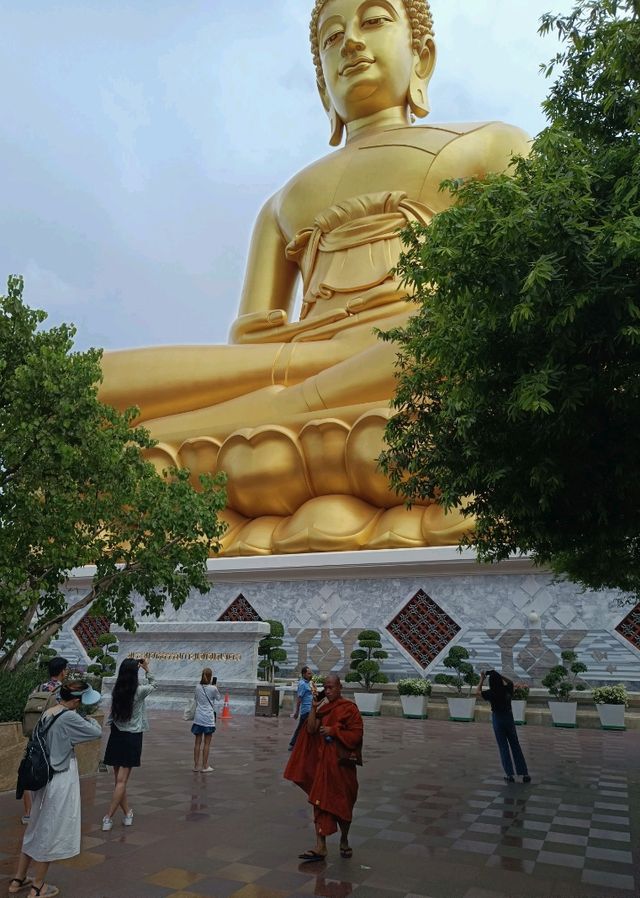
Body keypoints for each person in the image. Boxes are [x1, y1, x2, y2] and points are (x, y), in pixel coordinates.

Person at [99, 0, 530, 556]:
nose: (350, 42)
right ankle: (287, 406)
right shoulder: (282, 203)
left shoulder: (491, 146)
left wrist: (361, 355)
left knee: (463, 345)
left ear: (421, 57)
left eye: (373, 21)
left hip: (420, 346)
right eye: (331, 37)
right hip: (313, 364)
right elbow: (249, 337)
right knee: (88, 388)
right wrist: (299, 358)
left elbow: (526, 301)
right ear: (323, 89)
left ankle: (265, 425)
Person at [10, 680, 102, 898]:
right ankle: (38, 887)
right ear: (77, 700)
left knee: (35, 826)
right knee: (50, 830)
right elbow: (95, 732)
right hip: (60, 777)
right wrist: (88, 718)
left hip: (42, 777)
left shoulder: (49, 712)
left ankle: (18, 879)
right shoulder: (69, 717)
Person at [284, 674, 363, 862]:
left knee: (343, 805)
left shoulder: (349, 709)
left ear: (340, 687)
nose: (327, 691)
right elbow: (310, 729)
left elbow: (356, 735)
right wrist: (313, 707)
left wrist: (333, 731)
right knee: (319, 802)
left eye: (331, 688)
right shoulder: (324, 709)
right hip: (323, 766)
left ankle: (344, 839)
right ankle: (321, 846)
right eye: (325, 688)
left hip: (341, 767)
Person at [102, 657, 155, 831]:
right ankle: (108, 817)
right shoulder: (138, 691)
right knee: (121, 781)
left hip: (117, 735)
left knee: (118, 780)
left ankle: (128, 813)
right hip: (132, 736)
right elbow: (155, 684)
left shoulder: (117, 690)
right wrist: (147, 669)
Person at [21, 657, 69, 826]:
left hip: (33, 736)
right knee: (49, 774)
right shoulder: (61, 691)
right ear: (62, 670)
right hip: (49, 740)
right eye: (66, 669)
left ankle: (27, 813)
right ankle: (45, 813)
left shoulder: (38, 688)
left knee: (29, 771)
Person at [477, 669, 531, 784]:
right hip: (508, 717)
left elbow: (478, 692)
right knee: (515, 745)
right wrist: (500, 675)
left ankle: (509, 774)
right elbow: (510, 682)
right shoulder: (508, 689)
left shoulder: (491, 693)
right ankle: (524, 773)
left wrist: (482, 679)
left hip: (498, 718)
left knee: (503, 747)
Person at [191, 667, 222, 772]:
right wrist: (215, 687)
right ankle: (205, 766)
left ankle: (196, 766)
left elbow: (196, 698)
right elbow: (218, 698)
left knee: (197, 742)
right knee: (207, 743)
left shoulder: (197, 687)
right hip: (208, 718)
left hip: (198, 717)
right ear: (210, 677)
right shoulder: (213, 688)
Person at [289, 665, 314, 751]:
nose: (310, 675)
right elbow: (299, 699)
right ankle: (293, 744)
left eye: (311, 673)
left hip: (310, 709)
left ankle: (297, 744)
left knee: (305, 727)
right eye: (308, 673)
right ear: (303, 674)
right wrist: (297, 712)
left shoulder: (308, 683)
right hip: (306, 710)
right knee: (301, 728)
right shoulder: (303, 684)